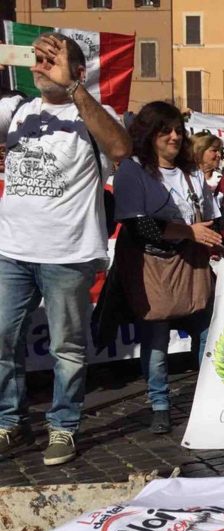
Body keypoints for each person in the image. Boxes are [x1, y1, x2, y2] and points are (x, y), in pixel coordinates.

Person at [0, 33, 131, 465]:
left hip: (67, 254)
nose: (41, 67)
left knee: (67, 348)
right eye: (37, 59)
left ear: (77, 71)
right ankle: (10, 423)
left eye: (51, 60)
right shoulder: (16, 110)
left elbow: (120, 148)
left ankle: (63, 426)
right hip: (11, 250)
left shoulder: (97, 114)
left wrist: (74, 89)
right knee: (2, 339)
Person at [109, 102, 222, 434]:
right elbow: (137, 226)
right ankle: (159, 404)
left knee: (207, 334)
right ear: (149, 133)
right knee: (156, 341)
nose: (174, 136)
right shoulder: (133, 171)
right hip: (153, 266)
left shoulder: (191, 173)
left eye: (178, 130)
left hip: (193, 263)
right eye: (165, 130)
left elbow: (210, 217)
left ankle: (209, 399)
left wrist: (213, 238)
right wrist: (188, 231)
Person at [192, 132, 224, 202]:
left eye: (219, 150)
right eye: (214, 150)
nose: (219, 155)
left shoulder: (223, 177)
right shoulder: (187, 178)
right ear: (199, 152)